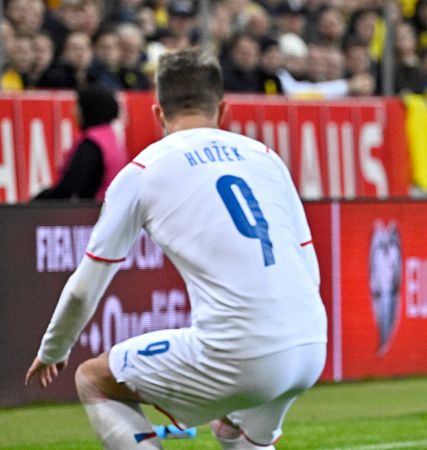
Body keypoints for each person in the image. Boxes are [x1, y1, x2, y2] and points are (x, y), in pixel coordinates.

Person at [25, 47, 328, 450]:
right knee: (235, 433)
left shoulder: (144, 171)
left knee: (94, 380)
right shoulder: (267, 158)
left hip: (239, 353)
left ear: (157, 114)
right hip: (310, 344)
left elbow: (83, 289)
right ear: (222, 111)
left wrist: (53, 349)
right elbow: (311, 269)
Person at [35, 84, 127, 201]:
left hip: (95, 215)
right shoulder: (112, 139)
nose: (73, 111)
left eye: (77, 106)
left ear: (88, 109)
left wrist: (40, 199)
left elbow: (68, 189)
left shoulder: (91, 145)